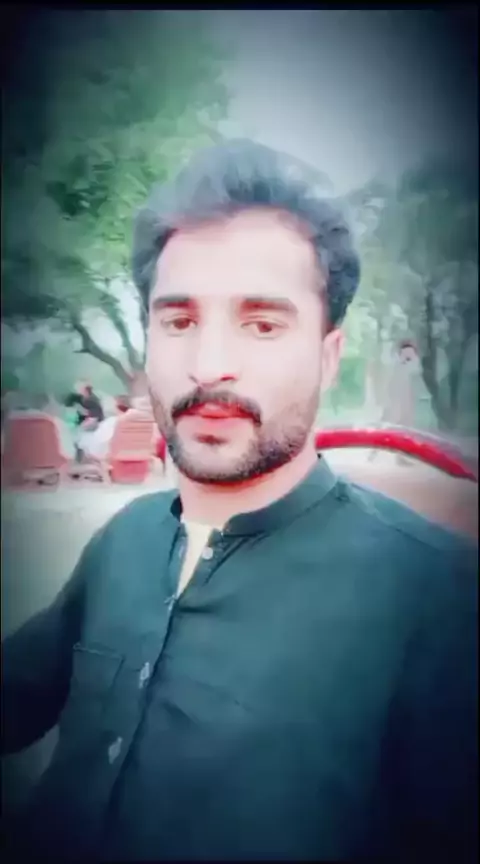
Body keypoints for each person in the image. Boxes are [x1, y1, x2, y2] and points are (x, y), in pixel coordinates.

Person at [2, 140, 477, 862]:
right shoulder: (125, 539)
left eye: (262, 324)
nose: (208, 364)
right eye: (179, 321)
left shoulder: (441, 599)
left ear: (328, 355)